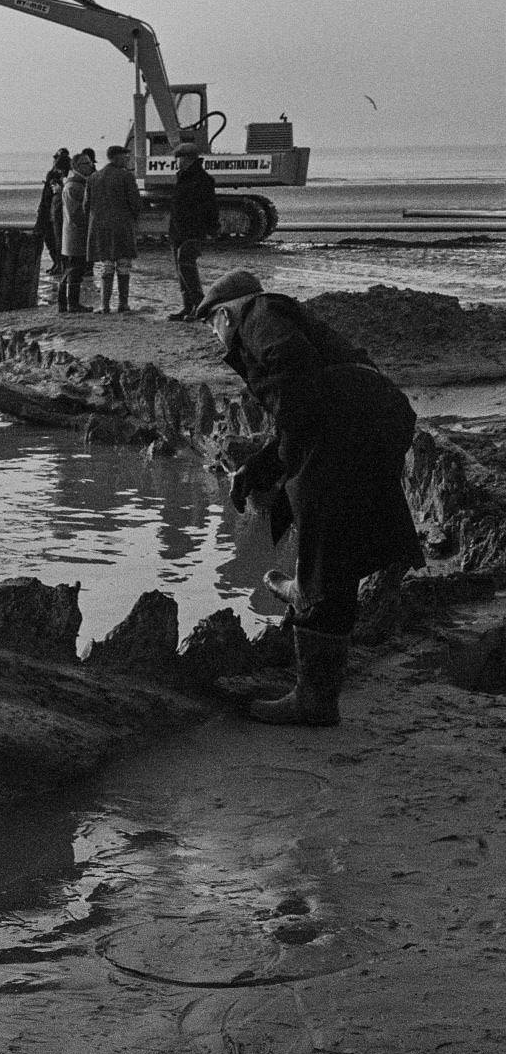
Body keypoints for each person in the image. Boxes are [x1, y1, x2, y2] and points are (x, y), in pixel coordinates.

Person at [198, 269, 423, 726]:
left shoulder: (259, 314)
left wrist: (286, 455)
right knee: (331, 533)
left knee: (324, 536)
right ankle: (308, 589)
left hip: (347, 424)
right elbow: (296, 402)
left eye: (211, 325)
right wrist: (264, 465)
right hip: (369, 415)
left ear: (224, 313)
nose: (215, 337)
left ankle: (314, 697)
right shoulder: (278, 317)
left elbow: (291, 379)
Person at [165, 143, 220, 320]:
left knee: (186, 266)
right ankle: (187, 307)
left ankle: (199, 307)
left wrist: (211, 228)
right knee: (181, 269)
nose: (177, 162)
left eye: (178, 158)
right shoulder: (185, 177)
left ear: (187, 159)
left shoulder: (202, 179)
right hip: (178, 231)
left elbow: (210, 207)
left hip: (192, 230)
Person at [88, 144, 143, 313]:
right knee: (123, 265)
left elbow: (87, 205)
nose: (127, 159)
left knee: (107, 266)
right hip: (122, 226)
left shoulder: (94, 177)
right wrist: (134, 218)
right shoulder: (126, 176)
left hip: (100, 228)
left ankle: (104, 305)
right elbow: (135, 203)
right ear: (117, 157)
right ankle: (123, 304)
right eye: (125, 156)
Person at [59, 151, 97, 312]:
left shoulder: (79, 184)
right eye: (86, 164)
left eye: (90, 163)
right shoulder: (74, 186)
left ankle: (67, 303)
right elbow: (76, 214)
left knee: (76, 269)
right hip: (76, 235)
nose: (91, 166)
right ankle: (70, 304)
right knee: (75, 269)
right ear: (76, 166)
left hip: (76, 235)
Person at [35, 149, 70, 277]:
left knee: (57, 240)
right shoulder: (53, 174)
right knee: (51, 239)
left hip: (55, 211)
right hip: (50, 210)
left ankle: (59, 264)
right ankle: (57, 263)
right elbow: (46, 195)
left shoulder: (62, 176)